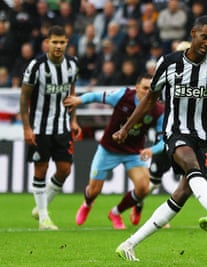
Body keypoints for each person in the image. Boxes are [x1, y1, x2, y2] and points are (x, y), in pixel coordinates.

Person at [113, 15, 207, 262]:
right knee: (191, 167)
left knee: (181, 194)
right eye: (205, 37)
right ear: (193, 33)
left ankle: (129, 244)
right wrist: (126, 127)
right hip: (176, 132)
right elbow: (149, 99)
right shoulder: (168, 63)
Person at [63, 74, 165, 230]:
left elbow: (164, 140)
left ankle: (116, 213)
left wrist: (152, 150)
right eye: (144, 88)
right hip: (108, 149)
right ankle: (87, 203)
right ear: (136, 87)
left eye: (151, 89)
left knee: (143, 188)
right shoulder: (123, 95)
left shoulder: (158, 110)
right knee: (94, 190)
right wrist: (79, 100)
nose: (148, 92)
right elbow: (97, 96)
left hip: (133, 152)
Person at [20, 25, 82, 230]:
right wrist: (27, 128)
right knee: (41, 168)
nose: (58, 46)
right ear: (47, 42)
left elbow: (71, 92)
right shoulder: (36, 66)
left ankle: (41, 206)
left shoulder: (72, 65)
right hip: (39, 126)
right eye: (54, 42)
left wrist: (73, 119)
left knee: (64, 170)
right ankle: (44, 219)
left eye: (62, 42)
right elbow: (24, 97)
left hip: (62, 125)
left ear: (67, 43)